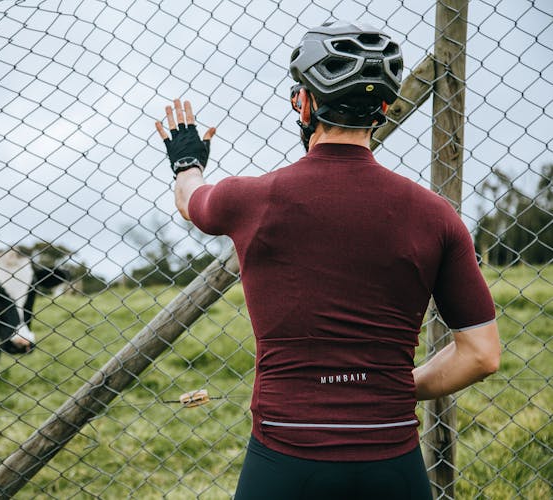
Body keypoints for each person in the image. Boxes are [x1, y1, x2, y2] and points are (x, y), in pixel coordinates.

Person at [155, 20, 501, 500]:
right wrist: (392, 387)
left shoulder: (250, 198)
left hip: (284, 455)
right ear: (382, 107)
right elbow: (482, 354)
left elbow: (191, 198)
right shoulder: (434, 214)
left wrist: (187, 160)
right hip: (392, 458)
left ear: (304, 103)